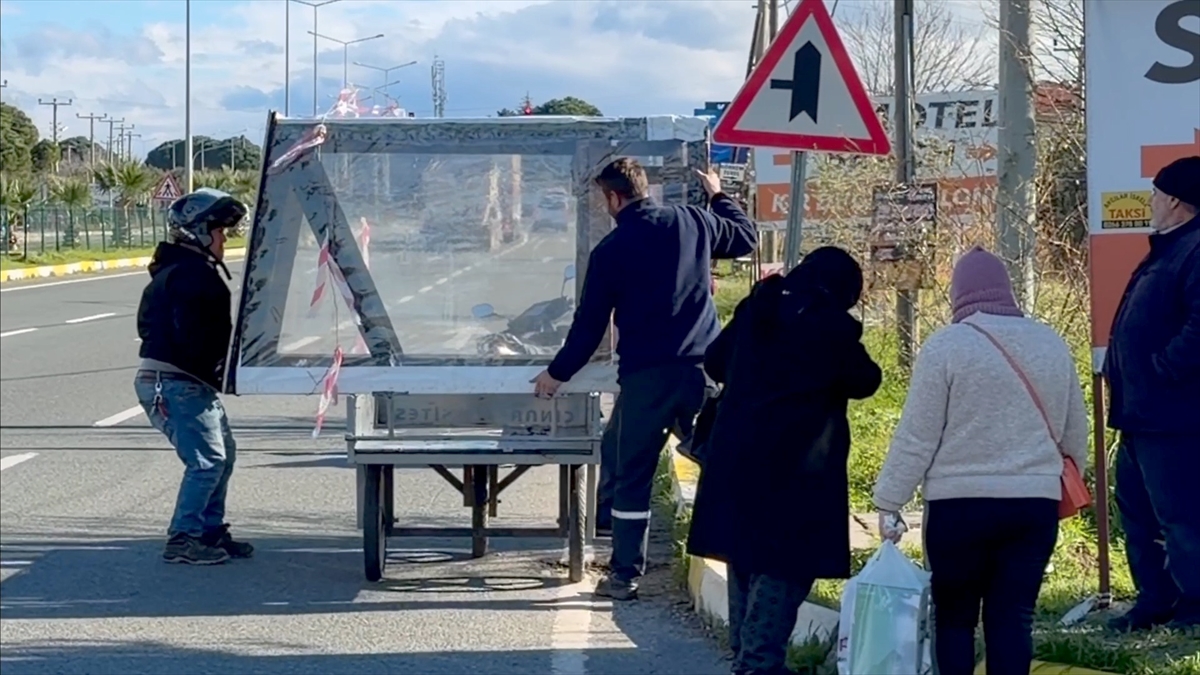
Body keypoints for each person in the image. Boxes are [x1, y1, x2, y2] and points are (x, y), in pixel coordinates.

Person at [531, 158, 758, 600]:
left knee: (632, 475)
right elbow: (745, 238)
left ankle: (624, 576)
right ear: (645, 189)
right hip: (701, 373)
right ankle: (742, 557)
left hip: (646, 380)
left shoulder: (611, 250)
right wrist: (717, 194)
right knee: (721, 462)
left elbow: (590, 326)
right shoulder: (693, 222)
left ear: (614, 197)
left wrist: (556, 374)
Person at [872, 246, 1089, 675]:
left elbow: (918, 436)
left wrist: (888, 501)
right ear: (1006, 290)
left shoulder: (946, 346)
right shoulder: (1050, 343)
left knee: (954, 619)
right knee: (1013, 618)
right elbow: (1074, 433)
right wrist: (1057, 480)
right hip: (1033, 506)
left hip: (958, 508)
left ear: (959, 294)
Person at [687, 247, 882, 675]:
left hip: (736, 456)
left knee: (744, 553)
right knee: (788, 562)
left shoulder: (759, 305)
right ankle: (758, 661)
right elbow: (865, 380)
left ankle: (746, 655)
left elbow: (716, 361)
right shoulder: (829, 325)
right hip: (796, 466)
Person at [1104, 155, 1200, 631]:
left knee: (1182, 517)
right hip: (1141, 415)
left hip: (1174, 417)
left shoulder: (1194, 250)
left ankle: (1194, 607)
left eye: (1156, 194)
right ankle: (1155, 600)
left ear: (1177, 201)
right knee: (1138, 513)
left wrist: (1164, 368)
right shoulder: (1168, 249)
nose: (1151, 202)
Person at [134, 188, 253, 566]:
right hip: (175, 382)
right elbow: (197, 335)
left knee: (223, 457)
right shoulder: (190, 275)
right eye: (219, 232)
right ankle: (184, 538)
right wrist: (225, 365)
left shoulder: (184, 270)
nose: (224, 241)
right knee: (206, 462)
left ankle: (208, 530)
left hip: (187, 381)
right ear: (198, 232)